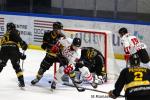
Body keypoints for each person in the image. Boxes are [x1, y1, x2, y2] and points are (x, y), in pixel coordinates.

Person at [0, 22, 28, 87]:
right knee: (16, 66)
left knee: (1, 65)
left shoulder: (5, 34)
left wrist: (20, 55)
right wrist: (22, 43)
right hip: (13, 48)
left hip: (3, 49)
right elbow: (16, 37)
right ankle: (21, 82)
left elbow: (5, 45)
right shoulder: (14, 31)